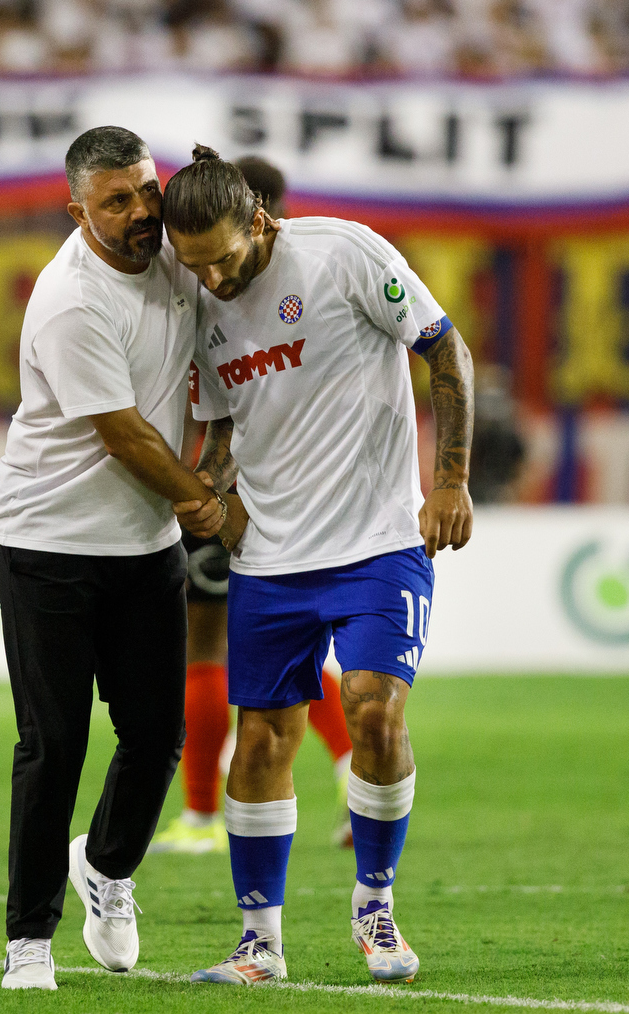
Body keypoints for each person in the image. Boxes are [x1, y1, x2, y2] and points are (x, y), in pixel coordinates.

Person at [164, 146, 475, 985]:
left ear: (259, 222)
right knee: (262, 738)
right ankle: (259, 943)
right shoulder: (201, 302)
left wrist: (449, 481)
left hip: (378, 542)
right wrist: (211, 498)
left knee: (374, 713)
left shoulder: (345, 254)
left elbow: (446, 352)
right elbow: (226, 429)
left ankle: (375, 908)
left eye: (224, 259)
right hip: (270, 558)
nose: (215, 281)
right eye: (196, 268)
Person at [0, 126, 237, 992]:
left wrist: (218, 463)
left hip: (143, 545)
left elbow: (226, 350)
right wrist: (204, 501)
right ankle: (28, 941)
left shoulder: (178, 257)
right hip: (47, 541)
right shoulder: (70, 299)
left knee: (157, 733)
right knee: (53, 744)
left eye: (145, 191)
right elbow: (124, 432)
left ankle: (107, 869)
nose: (139, 213)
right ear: (78, 211)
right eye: (115, 201)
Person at [152, 155, 355, 855]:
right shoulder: (283, 283)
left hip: (222, 484)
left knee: (205, 646)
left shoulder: (213, 295)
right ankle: (358, 768)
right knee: (284, 652)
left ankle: (204, 817)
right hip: (282, 490)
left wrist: (194, 484)